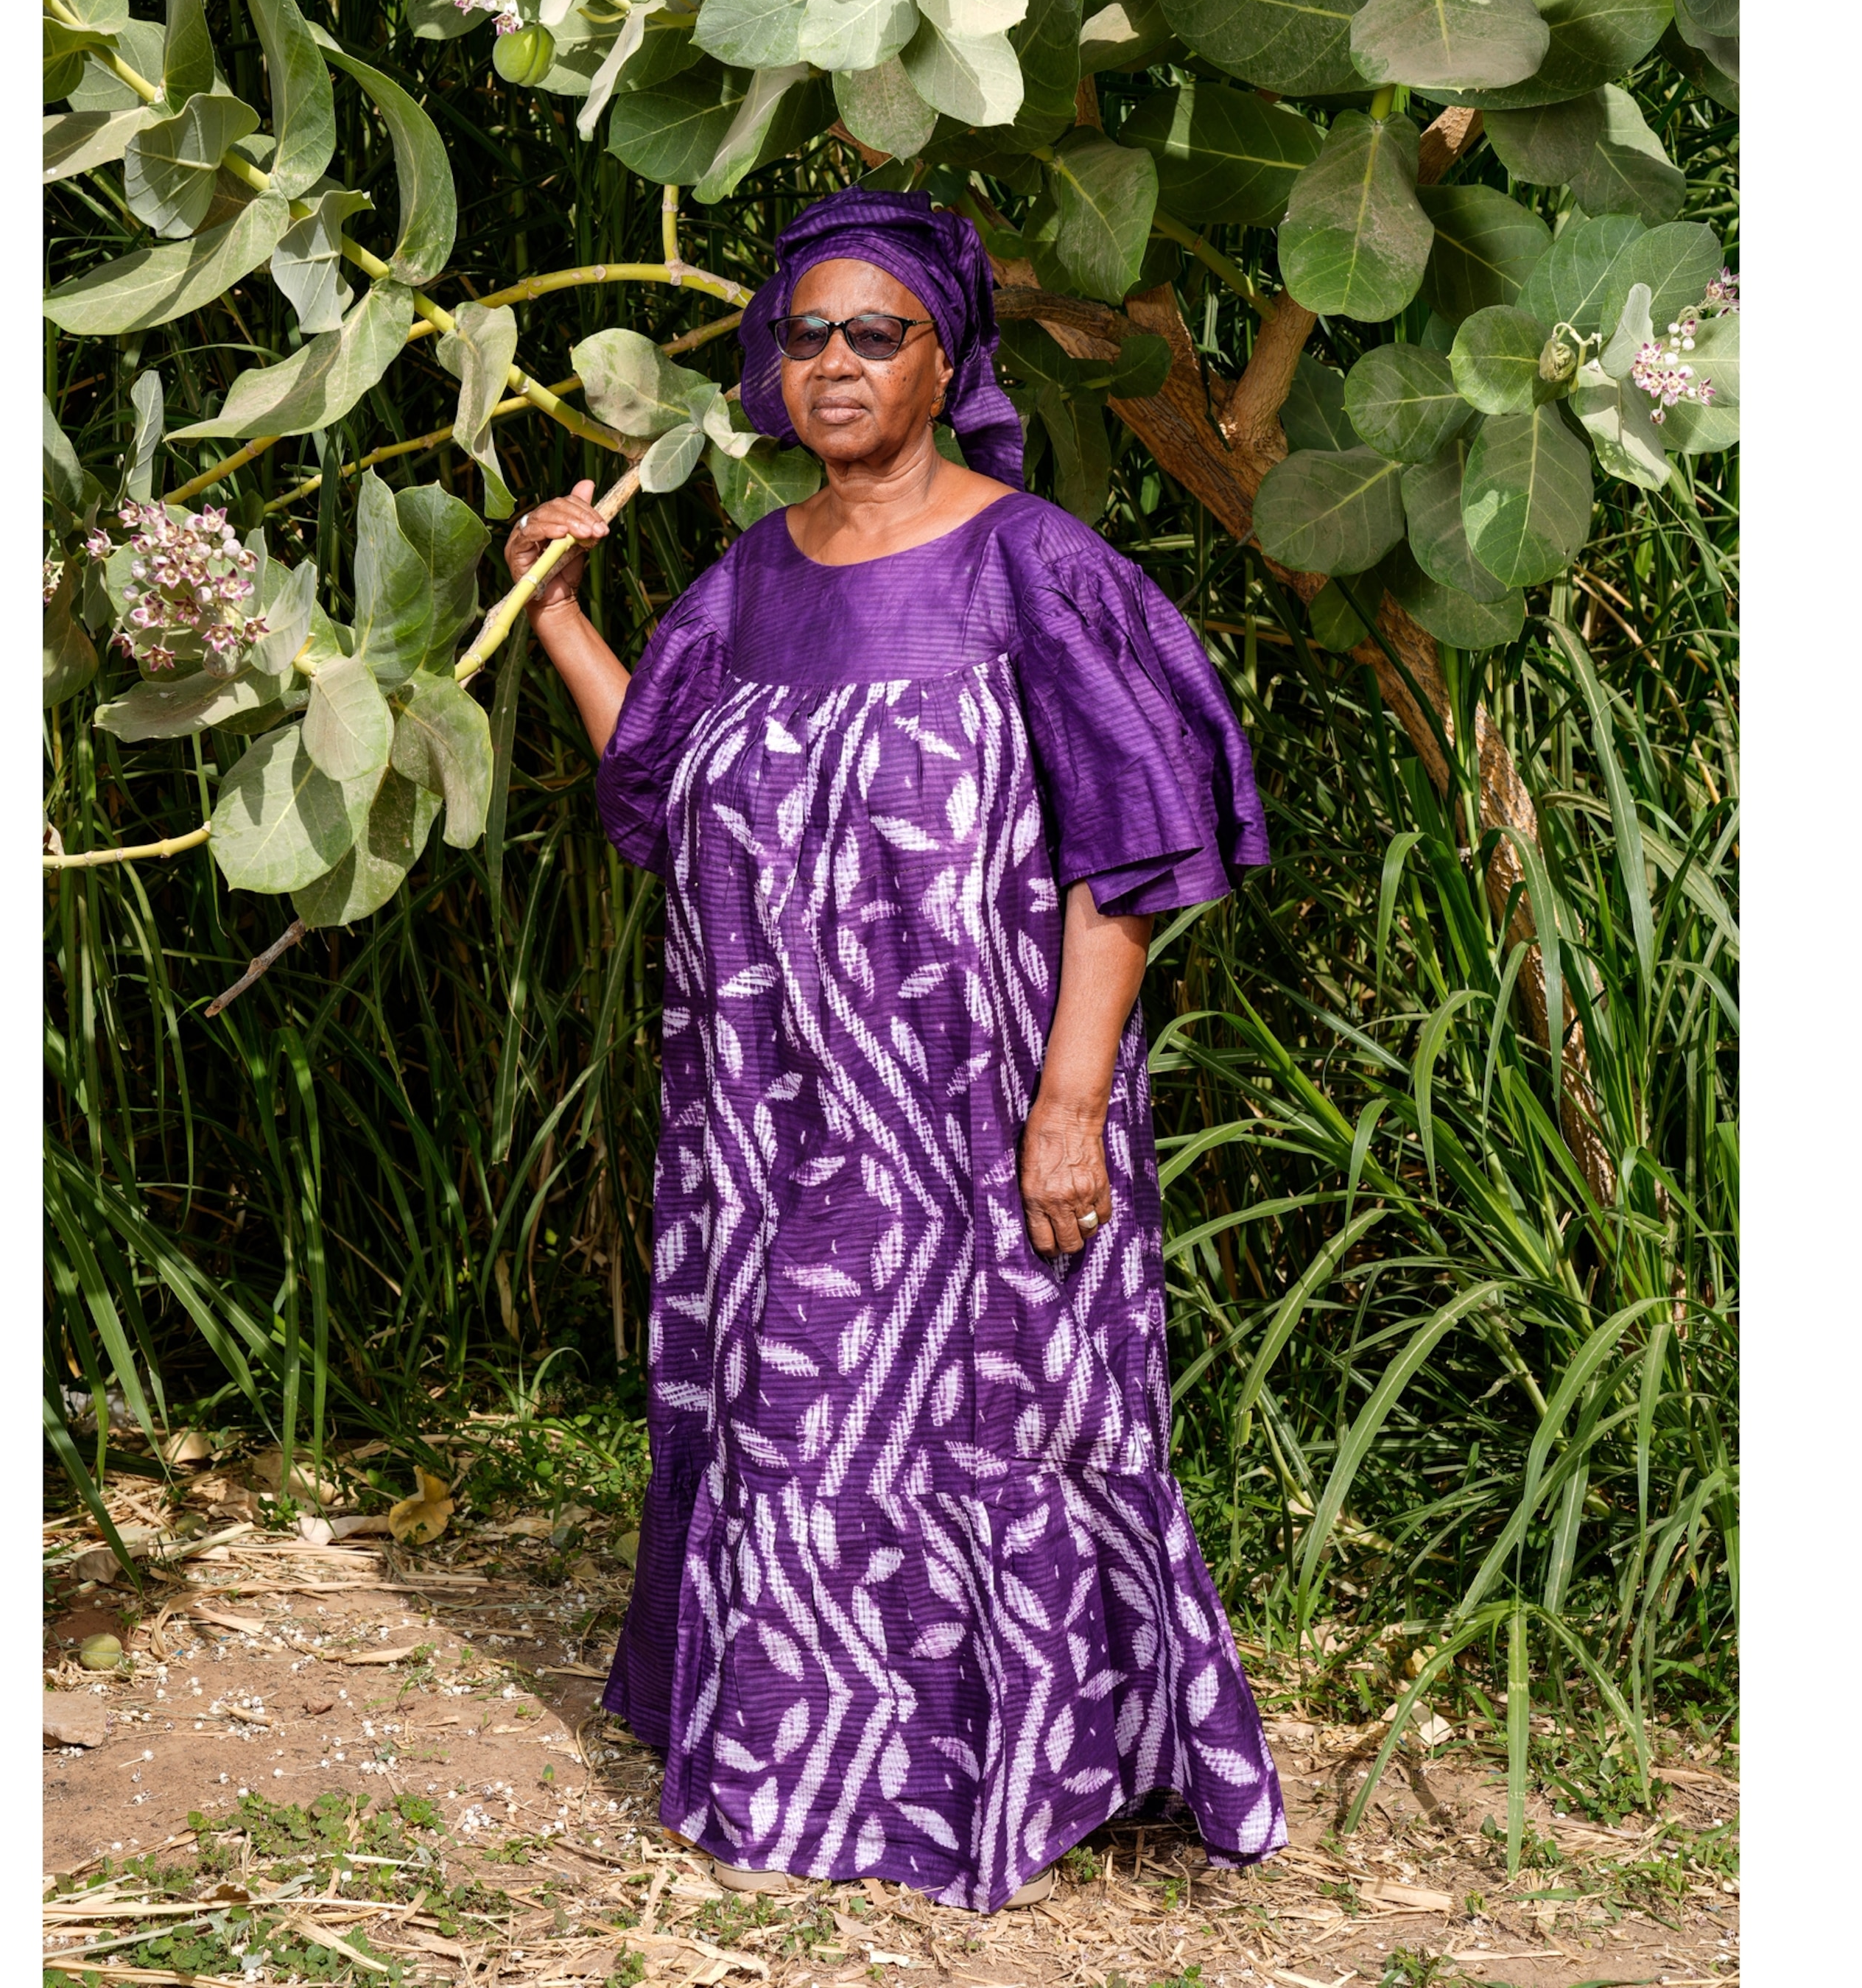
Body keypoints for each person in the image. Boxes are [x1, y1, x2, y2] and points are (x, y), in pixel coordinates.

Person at [505, 188, 1285, 1912]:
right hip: (773, 1122)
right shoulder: (754, 577)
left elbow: (1129, 856)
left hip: (983, 1115)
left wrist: (1070, 1101)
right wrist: (559, 613)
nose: (837, 364)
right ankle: (804, 1772)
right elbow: (662, 780)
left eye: (878, 334)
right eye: (807, 334)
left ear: (948, 362)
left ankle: (1020, 1769)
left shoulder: (1035, 566)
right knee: (791, 1424)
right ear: (772, 369)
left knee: (1005, 1427)